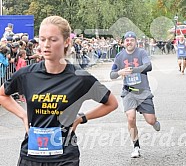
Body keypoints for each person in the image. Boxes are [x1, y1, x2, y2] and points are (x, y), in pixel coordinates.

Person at [0, 15, 118, 166]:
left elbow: (111, 103)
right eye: (42, 39)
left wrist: (81, 118)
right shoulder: (27, 74)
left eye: (53, 39)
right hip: (32, 155)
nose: (46, 45)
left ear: (67, 41)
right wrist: (23, 116)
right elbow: (2, 94)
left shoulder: (79, 77)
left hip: (65, 156)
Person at [110, 31, 160, 158]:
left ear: (136, 42)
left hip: (143, 91)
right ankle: (136, 147)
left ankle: (154, 121)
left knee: (150, 120)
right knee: (130, 118)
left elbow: (148, 66)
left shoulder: (141, 53)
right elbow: (112, 74)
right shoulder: (119, 56)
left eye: (132, 40)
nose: (129, 42)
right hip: (129, 91)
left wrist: (133, 70)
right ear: (123, 43)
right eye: (127, 40)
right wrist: (120, 72)